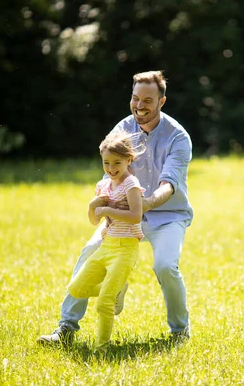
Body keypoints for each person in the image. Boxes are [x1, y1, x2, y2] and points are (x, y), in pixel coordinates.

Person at [38, 70, 193, 346]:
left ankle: (179, 331)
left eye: (147, 100)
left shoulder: (177, 137)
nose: (140, 105)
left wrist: (146, 203)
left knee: (166, 266)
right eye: (135, 98)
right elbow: (108, 174)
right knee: (89, 252)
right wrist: (102, 200)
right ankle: (66, 329)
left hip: (167, 215)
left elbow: (170, 184)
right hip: (123, 217)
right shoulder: (122, 129)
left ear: (162, 102)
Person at [64, 130, 146, 350]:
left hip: (125, 249)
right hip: (106, 246)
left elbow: (136, 215)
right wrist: (93, 206)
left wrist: (108, 208)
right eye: (106, 163)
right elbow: (94, 220)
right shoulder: (103, 186)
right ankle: (116, 290)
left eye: (117, 162)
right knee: (76, 288)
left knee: (104, 303)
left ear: (129, 160)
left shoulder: (131, 184)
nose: (111, 168)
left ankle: (102, 348)